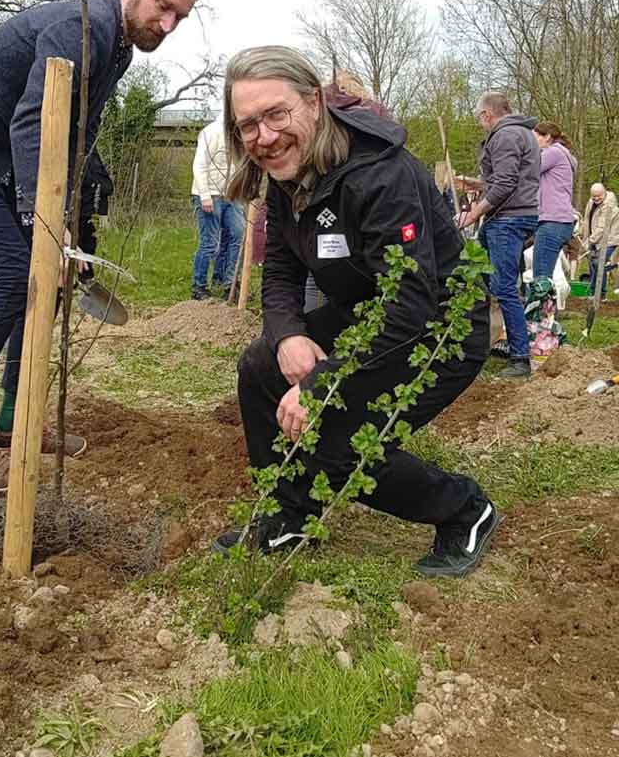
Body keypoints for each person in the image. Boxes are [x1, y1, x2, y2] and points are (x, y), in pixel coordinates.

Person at [0, 0, 203, 492]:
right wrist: (43, 219)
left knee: (50, 279)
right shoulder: (79, 28)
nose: (167, 24)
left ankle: (13, 422)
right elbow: (33, 123)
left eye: (179, 17)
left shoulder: (117, 48)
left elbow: (76, 133)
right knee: (18, 274)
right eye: (162, 5)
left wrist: (75, 222)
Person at [212, 46, 499, 579]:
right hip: (364, 315)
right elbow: (279, 272)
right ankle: (286, 515)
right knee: (258, 368)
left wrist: (321, 383)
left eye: (276, 114)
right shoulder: (284, 176)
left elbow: (409, 303)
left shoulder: (381, 178)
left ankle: (464, 509)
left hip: (438, 329)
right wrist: (287, 338)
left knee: (338, 442)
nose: (265, 137)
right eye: (247, 125)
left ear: (314, 103)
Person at [456, 92, 540, 379]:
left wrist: (473, 214)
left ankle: (520, 358)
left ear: (487, 115)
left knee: (503, 288)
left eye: (480, 118)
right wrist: (473, 183)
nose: (481, 124)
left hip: (508, 219)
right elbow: (505, 179)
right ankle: (482, 342)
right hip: (507, 217)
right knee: (479, 278)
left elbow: (504, 184)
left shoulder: (504, 136)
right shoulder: (522, 133)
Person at [190, 116, 245, 299]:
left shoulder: (240, 134)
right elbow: (199, 165)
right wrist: (205, 195)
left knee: (237, 235)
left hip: (232, 194)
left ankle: (227, 283)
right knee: (210, 243)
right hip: (210, 195)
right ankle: (199, 286)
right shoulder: (211, 132)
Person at [531, 122, 576, 280]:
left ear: (547, 137)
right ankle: (547, 305)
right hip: (561, 221)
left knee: (541, 278)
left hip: (552, 220)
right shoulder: (564, 154)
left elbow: (528, 171)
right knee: (545, 276)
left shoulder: (553, 152)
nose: (532, 142)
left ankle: (542, 305)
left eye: (534, 137)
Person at [582, 183, 619, 297]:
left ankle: (600, 293)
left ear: (605, 193)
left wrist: (590, 240)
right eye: (594, 196)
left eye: (599, 196)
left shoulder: (609, 206)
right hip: (595, 239)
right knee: (593, 265)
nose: (596, 198)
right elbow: (587, 219)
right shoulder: (591, 202)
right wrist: (584, 236)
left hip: (609, 239)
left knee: (599, 263)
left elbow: (602, 229)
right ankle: (593, 292)